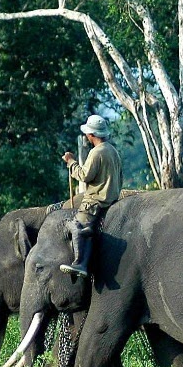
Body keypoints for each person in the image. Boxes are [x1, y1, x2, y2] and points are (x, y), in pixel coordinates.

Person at [60, 114, 123, 279]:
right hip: (112, 199)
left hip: (95, 202)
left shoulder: (97, 153)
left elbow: (85, 175)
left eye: (88, 133)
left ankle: (80, 262)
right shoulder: (113, 151)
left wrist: (71, 162)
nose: (87, 136)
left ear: (91, 135)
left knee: (77, 226)